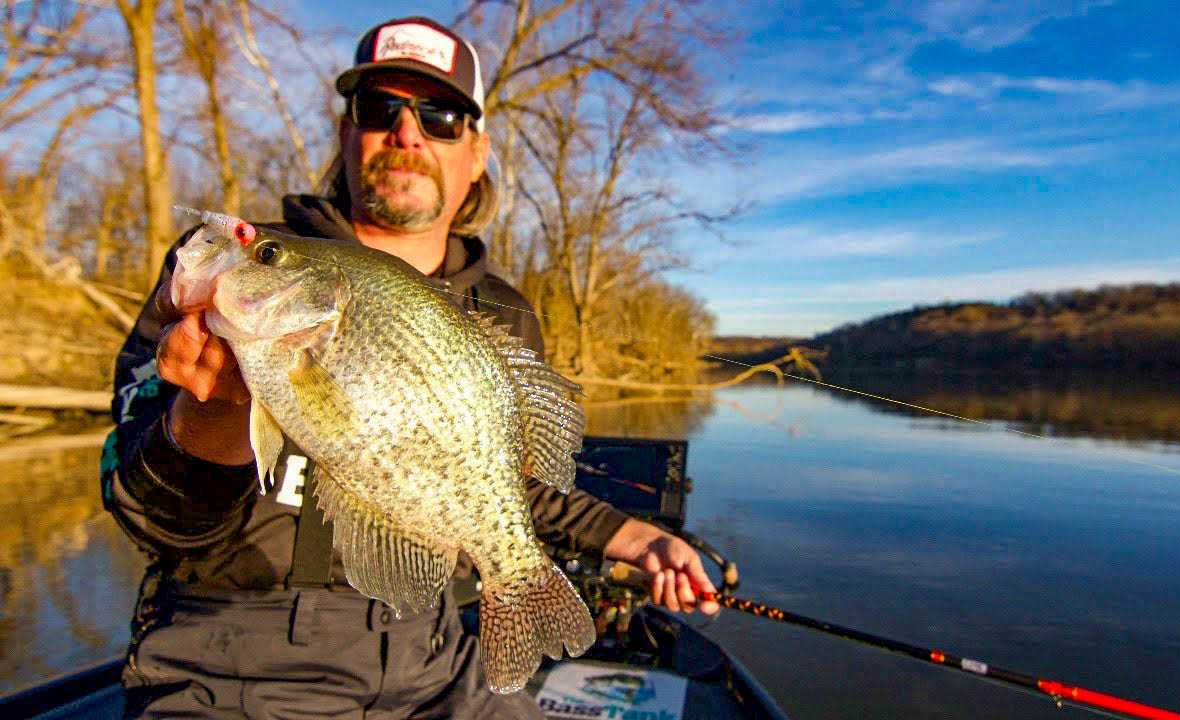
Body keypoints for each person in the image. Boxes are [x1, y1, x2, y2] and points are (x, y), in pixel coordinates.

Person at [100, 16, 717, 719]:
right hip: (231, 657)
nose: (407, 132)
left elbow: (503, 486)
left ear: (476, 152)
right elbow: (145, 518)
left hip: (432, 652)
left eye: (441, 115)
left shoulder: (502, 311)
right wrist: (210, 416)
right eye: (378, 108)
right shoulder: (236, 271)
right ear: (345, 132)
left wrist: (636, 537)